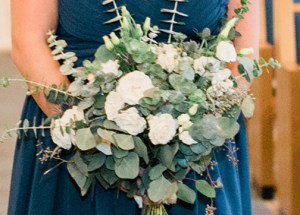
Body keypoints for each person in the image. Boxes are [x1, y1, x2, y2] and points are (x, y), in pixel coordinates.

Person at [8, 0, 259, 214]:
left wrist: (192, 134)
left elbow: (244, 54)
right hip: (80, 144)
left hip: (195, 147)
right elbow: (29, 40)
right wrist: (93, 136)